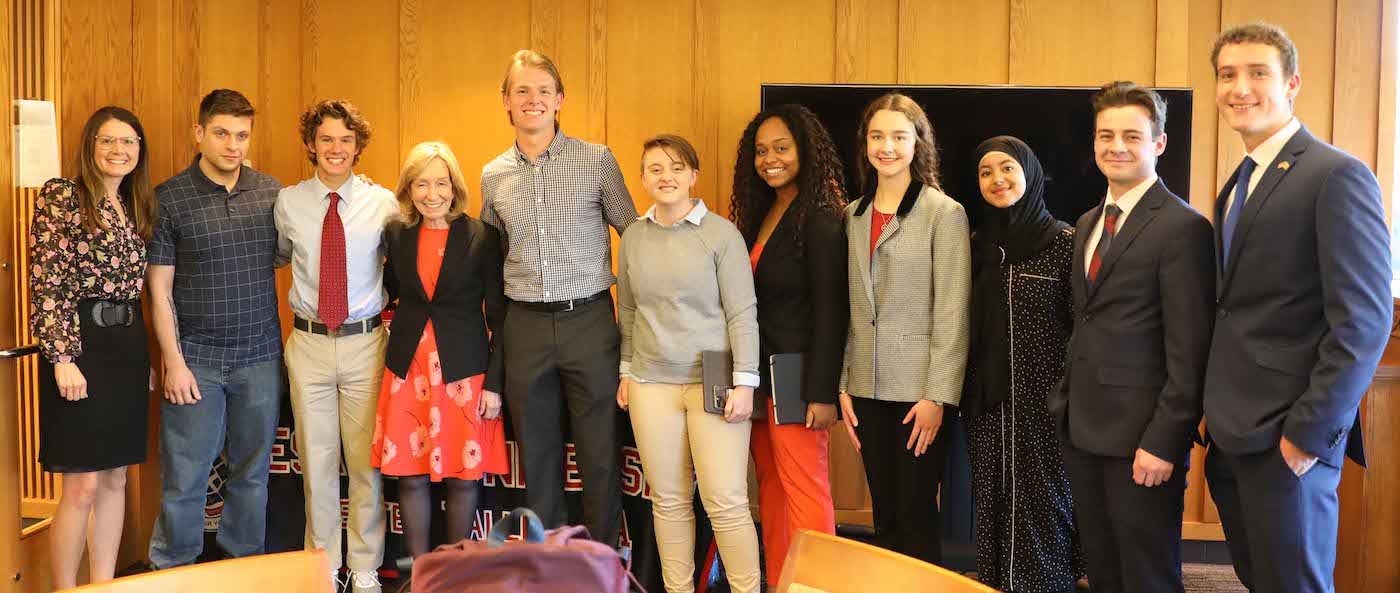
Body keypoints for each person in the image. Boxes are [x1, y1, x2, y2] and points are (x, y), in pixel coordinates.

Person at [1204, 22, 1391, 593]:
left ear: (1292, 84)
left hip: (1290, 441)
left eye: (1258, 73)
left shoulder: (1336, 175)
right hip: (1234, 437)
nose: (1240, 87)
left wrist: (1307, 437)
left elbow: (1363, 322)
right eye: (1227, 74)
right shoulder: (1238, 182)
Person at [1050, 81, 1215, 593]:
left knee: (1147, 575)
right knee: (1102, 571)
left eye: (1131, 136)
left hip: (1142, 442)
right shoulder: (1086, 223)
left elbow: (1190, 351)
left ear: (1159, 144)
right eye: (1105, 135)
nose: (1116, 146)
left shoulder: (1183, 228)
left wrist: (1164, 442)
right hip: (1082, 430)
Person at [480, 49, 637, 544]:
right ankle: (545, 567)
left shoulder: (596, 160)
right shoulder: (492, 175)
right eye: (521, 91)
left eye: (543, 91)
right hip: (524, 327)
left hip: (589, 323)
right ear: (505, 101)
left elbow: (633, 235)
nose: (533, 100)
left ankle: (602, 565)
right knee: (538, 457)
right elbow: (490, 254)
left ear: (560, 100)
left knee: (599, 456)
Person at [146, 89, 285, 570]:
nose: (233, 145)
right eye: (222, 133)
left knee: (252, 475)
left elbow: (307, 239)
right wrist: (174, 362)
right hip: (196, 363)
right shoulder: (169, 198)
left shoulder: (271, 192)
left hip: (261, 357)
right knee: (185, 478)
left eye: (242, 135)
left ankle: (243, 569)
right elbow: (159, 291)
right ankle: (172, 570)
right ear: (199, 133)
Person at [616, 134, 760, 593]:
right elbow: (630, 310)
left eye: (676, 167)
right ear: (642, 178)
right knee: (670, 502)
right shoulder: (634, 236)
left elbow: (742, 311)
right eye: (655, 169)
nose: (666, 177)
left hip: (713, 384)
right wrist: (625, 371)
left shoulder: (720, 234)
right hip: (649, 385)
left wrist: (746, 383)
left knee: (726, 502)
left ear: (694, 176)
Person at [837, 92, 971, 565]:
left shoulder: (943, 212)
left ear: (918, 143)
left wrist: (938, 397)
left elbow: (953, 314)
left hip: (921, 395)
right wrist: (845, 383)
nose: (886, 146)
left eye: (898, 136)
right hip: (866, 390)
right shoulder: (852, 215)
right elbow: (852, 309)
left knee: (915, 516)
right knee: (885, 516)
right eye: (877, 136)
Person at [29, 106, 158, 589]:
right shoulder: (62, 195)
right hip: (78, 347)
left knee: (116, 480)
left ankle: (103, 585)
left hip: (125, 345)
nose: (118, 151)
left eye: (129, 142)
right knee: (81, 485)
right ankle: (66, 588)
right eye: (108, 140)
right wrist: (62, 358)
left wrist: (143, 359)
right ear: (90, 145)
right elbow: (47, 280)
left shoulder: (136, 202)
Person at [275, 99, 399, 593]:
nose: (336, 149)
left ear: (357, 147)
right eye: (326, 139)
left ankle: (365, 565)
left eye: (346, 140)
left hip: (365, 344)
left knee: (366, 462)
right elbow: (282, 256)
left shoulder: (382, 202)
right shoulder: (288, 203)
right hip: (307, 344)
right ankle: (322, 566)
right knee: (318, 462)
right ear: (311, 144)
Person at [728, 103, 847, 587]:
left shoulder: (821, 217)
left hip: (799, 378)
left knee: (805, 489)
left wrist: (822, 392)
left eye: (781, 148)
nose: (769, 159)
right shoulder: (762, 212)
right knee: (771, 489)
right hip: (758, 377)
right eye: (760, 150)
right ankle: (781, 581)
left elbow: (832, 311)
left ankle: (817, 586)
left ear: (805, 151)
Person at [372, 141, 509, 558]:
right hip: (407, 368)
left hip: (464, 370)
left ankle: (455, 575)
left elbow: (499, 315)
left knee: (463, 477)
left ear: (455, 187)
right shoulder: (395, 235)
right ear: (408, 190)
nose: (432, 194)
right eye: (421, 184)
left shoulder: (482, 236)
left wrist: (496, 383)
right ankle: (418, 574)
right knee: (410, 476)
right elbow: (389, 291)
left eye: (441, 183)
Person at [963, 136, 1082, 593]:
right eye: (986, 172)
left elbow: (1083, 327)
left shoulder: (1066, 243)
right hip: (988, 409)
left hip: (1047, 408)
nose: (997, 179)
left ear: (1030, 173)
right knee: (993, 506)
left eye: (1007, 167)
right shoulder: (974, 246)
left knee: (1045, 509)